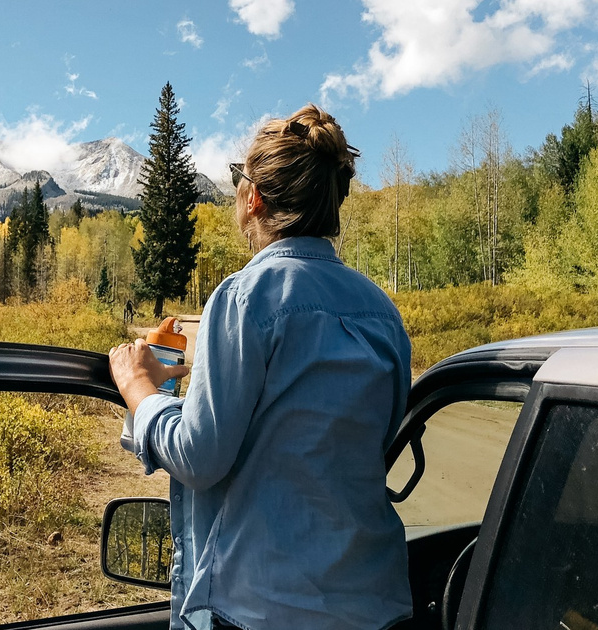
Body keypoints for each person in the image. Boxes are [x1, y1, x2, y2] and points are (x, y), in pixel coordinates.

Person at [108, 104, 412, 630]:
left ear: (254, 197)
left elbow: (200, 457)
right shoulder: (382, 312)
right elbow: (367, 450)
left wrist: (139, 387)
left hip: (268, 609)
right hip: (377, 604)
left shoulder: (245, 297)